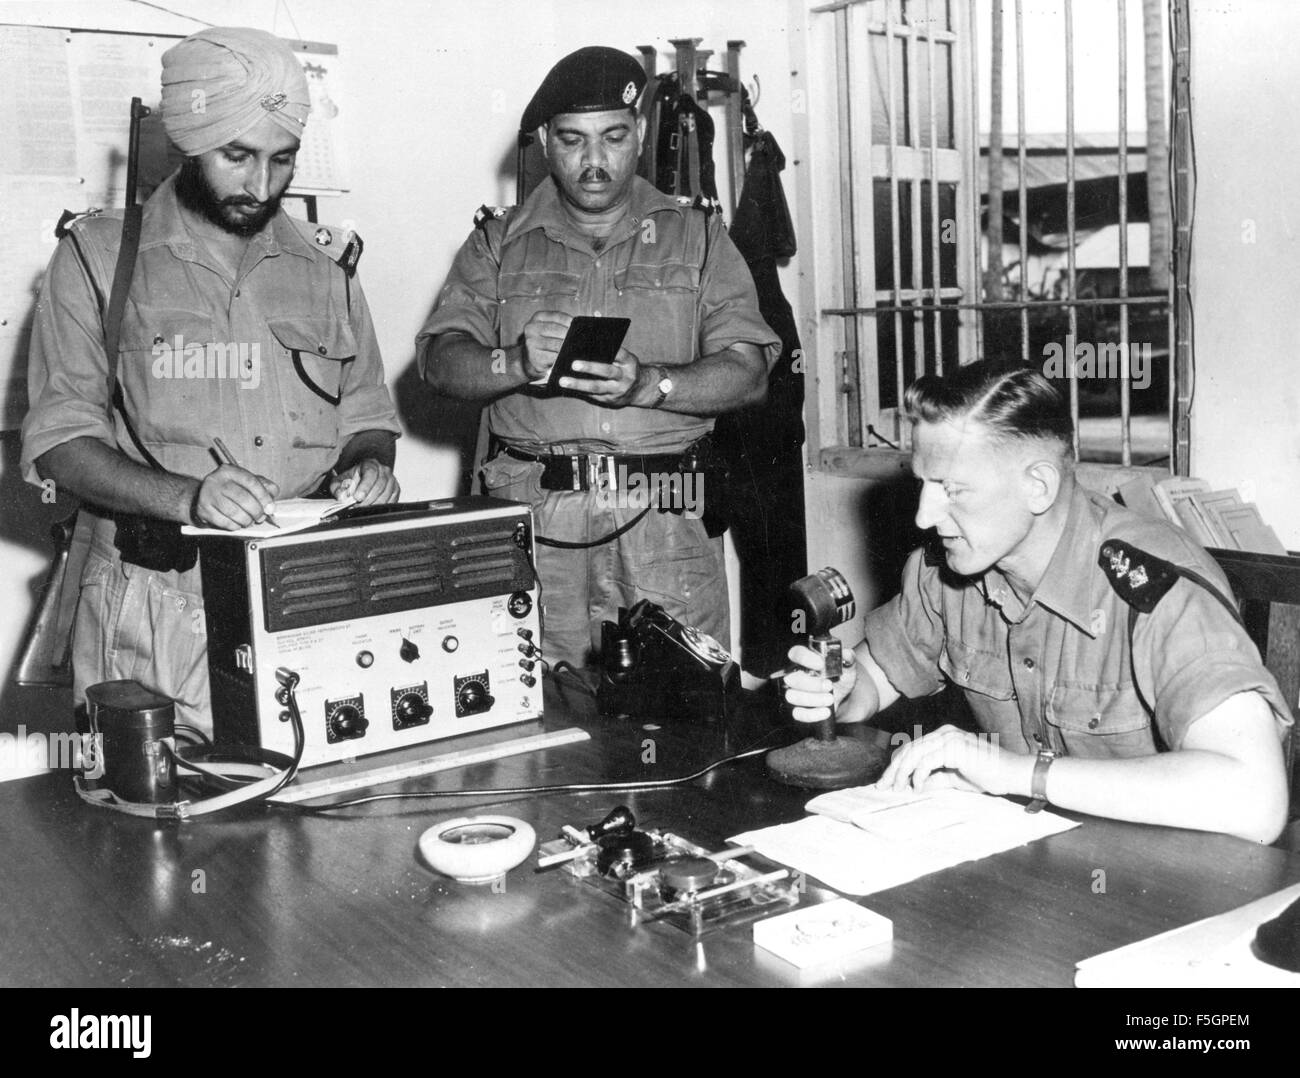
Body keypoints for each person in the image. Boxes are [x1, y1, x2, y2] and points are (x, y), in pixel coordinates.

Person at [22, 27, 401, 734]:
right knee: (151, 830)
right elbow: (61, 442)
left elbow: (366, 416)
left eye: (282, 160)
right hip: (154, 615)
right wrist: (189, 497)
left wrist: (369, 465)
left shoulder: (327, 270)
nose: (261, 186)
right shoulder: (99, 259)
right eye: (238, 156)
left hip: (302, 607)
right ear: (187, 142)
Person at [784, 361, 1292, 843]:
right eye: (923, 484)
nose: (923, 516)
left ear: (1038, 486)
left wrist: (1015, 774)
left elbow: (1256, 800)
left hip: (1166, 883)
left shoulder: (1153, 585)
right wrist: (840, 690)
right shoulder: (949, 569)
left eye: (952, 489)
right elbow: (876, 678)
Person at [417, 46, 780, 668]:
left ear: (639, 134)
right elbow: (439, 363)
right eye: (572, 140)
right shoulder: (497, 243)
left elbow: (749, 374)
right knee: (538, 719)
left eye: (613, 137)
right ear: (541, 139)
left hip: (665, 520)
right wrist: (515, 362)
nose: (594, 161)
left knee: (680, 721)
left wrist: (650, 385)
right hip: (536, 527)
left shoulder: (699, 237)